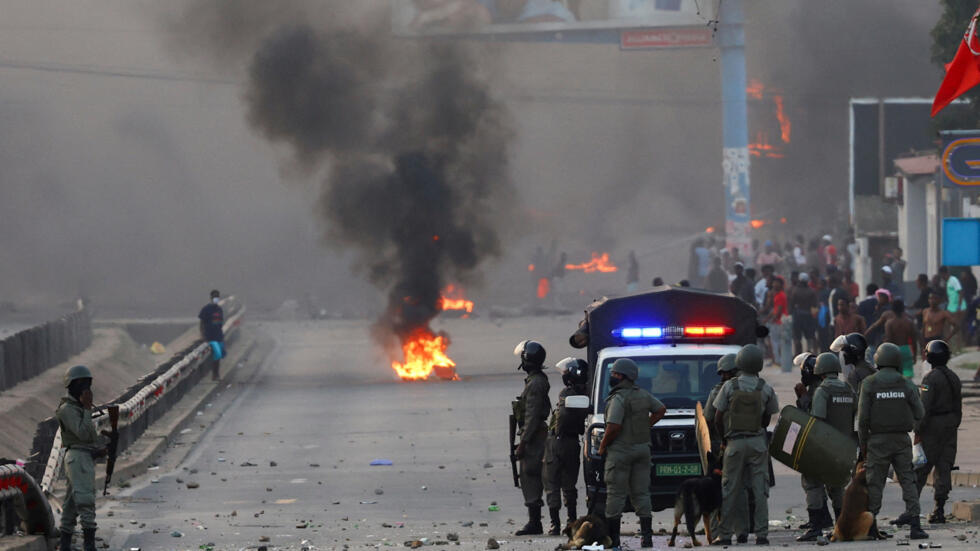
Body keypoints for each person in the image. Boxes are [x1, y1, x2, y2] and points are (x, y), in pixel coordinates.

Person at [857, 343, 927, 540]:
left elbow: (862, 419)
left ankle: (871, 528)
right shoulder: (906, 383)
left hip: (877, 441)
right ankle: (915, 525)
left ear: (878, 360)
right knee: (908, 480)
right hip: (901, 440)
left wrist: (863, 445)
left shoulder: (869, 383)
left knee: (875, 483)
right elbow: (920, 413)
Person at [712, 344, 779, 546]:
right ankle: (761, 534)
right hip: (758, 444)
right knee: (760, 490)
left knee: (730, 489)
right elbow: (768, 418)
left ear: (739, 362)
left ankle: (724, 535)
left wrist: (724, 439)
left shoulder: (729, 387)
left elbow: (717, 417)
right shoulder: (765, 388)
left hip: (734, 444)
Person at [599, 358, 667, 548]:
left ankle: (614, 540)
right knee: (642, 494)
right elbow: (661, 409)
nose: (612, 377)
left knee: (616, 494)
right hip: (642, 449)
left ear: (622, 376)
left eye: (614, 374)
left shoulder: (618, 398)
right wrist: (646, 426)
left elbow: (613, 427)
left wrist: (603, 446)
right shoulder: (643, 395)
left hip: (620, 451)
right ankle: (647, 538)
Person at [797, 353, 856, 541]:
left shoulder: (822, 390)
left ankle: (815, 527)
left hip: (824, 444)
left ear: (819, 371)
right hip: (842, 445)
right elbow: (854, 413)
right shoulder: (848, 388)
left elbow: (817, 420)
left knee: (812, 482)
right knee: (837, 485)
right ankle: (842, 526)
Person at [57, 365, 107, 551]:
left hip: (82, 456)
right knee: (86, 500)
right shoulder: (67, 409)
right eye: (82, 383)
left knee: (71, 504)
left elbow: (88, 438)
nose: (86, 388)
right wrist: (87, 408)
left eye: (88, 383)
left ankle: (65, 545)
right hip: (77, 458)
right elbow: (82, 434)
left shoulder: (76, 408)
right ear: (71, 385)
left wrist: (96, 452)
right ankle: (89, 546)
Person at [914, 340, 962, 524]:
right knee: (944, 467)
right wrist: (953, 424)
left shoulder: (929, 379)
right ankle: (939, 510)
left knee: (921, 468)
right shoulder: (954, 377)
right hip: (950, 426)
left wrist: (918, 430)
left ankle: (912, 511)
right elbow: (958, 407)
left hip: (932, 427)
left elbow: (923, 407)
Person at [703, 354, 749, 543]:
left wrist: (720, 439)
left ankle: (717, 532)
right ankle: (743, 530)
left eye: (723, 373)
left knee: (718, 488)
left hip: (724, 446)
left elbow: (708, 417)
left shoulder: (718, 391)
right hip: (749, 444)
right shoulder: (752, 387)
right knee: (742, 490)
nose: (721, 376)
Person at [543, 358, 589, 535]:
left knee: (552, 482)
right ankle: (571, 521)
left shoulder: (566, 394)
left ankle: (555, 524)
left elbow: (561, 417)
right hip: (573, 442)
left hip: (558, 441)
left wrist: (558, 434)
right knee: (569, 485)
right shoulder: (587, 394)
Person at [512, 340, 551, 535]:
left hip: (535, 437)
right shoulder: (536, 380)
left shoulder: (535, 383)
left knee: (530, 476)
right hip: (535, 434)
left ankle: (535, 523)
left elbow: (533, 415)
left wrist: (524, 442)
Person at [884, 300, 918, 378]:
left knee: (894, 375)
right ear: (903, 309)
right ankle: (909, 390)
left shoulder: (889, 323)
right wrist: (915, 355)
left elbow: (888, 339)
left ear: (892, 310)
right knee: (908, 376)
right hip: (906, 349)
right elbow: (914, 340)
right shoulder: (909, 322)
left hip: (894, 350)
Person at [198, 289, 225, 381]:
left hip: (219, 336)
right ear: (211, 298)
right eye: (214, 297)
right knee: (217, 354)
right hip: (210, 336)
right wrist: (203, 335)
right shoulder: (206, 309)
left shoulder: (219, 309)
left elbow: (221, 323)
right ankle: (215, 375)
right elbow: (201, 323)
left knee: (219, 355)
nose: (216, 299)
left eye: (217, 297)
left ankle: (216, 374)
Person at [791, 273, 818, 355]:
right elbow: (814, 305)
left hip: (798, 316)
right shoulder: (811, 291)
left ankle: (798, 354)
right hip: (808, 316)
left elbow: (791, 304)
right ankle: (810, 353)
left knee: (797, 337)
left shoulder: (795, 290)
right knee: (810, 336)